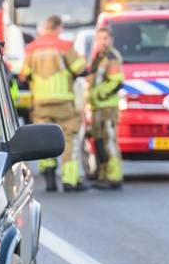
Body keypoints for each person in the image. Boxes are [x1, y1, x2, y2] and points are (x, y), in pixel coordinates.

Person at [19, 15, 89, 192]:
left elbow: (23, 74)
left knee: (45, 141)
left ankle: (50, 180)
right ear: (58, 28)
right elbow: (81, 69)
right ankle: (70, 181)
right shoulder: (65, 46)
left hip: (41, 103)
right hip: (64, 103)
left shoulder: (32, 48)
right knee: (68, 140)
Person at [87, 27, 125, 190]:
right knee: (100, 143)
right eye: (99, 38)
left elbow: (117, 81)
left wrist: (101, 95)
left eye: (105, 38)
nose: (102, 41)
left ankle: (114, 176)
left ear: (111, 39)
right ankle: (104, 175)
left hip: (107, 107)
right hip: (98, 107)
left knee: (109, 142)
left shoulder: (111, 56)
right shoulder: (100, 56)